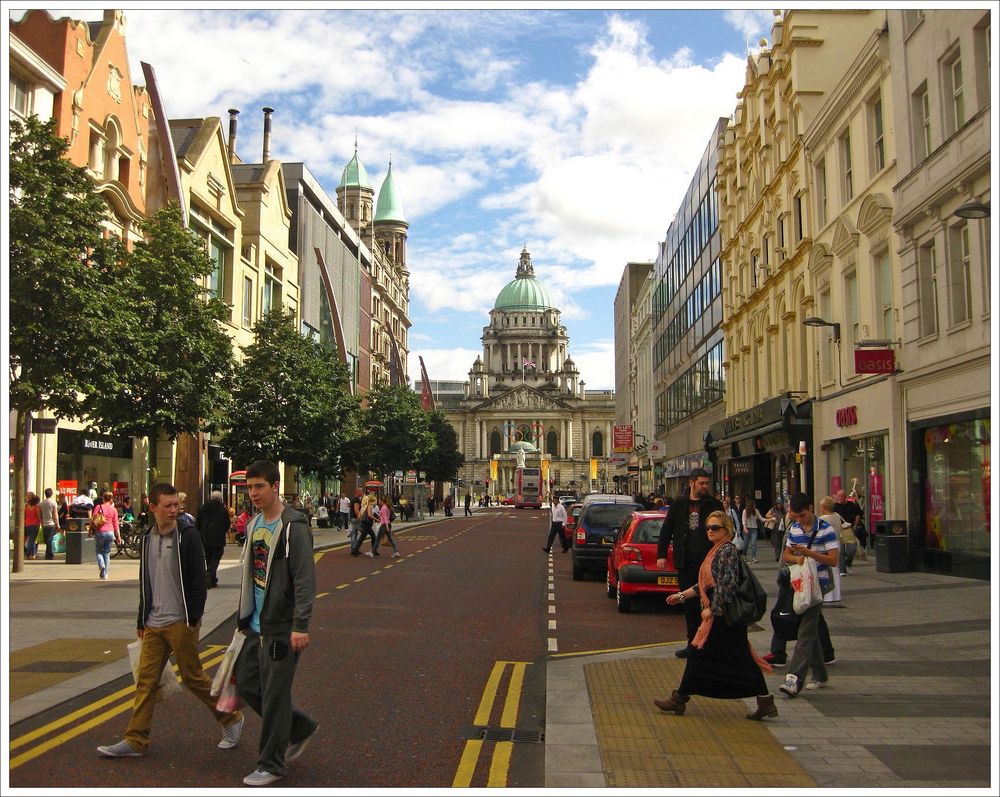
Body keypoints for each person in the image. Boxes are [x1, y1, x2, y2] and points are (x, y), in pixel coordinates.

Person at [96, 481, 244, 758]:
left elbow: (199, 580)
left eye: (177, 505)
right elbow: (146, 581)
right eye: (168, 506)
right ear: (152, 507)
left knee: (193, 677)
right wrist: (142, 619)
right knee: (146, 681)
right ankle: (136, 740)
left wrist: (194, 618)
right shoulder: (148, 538)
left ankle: (230, 717)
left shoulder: (187, 536)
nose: (174, 510)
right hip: (153, 623)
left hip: (180, 621)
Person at [234, 460, 318, 787]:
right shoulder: (255, 524)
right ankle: (298, 728)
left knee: (274, 695)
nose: (253, 493)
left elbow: (304, 580)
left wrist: (301, 624)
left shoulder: (293, 527)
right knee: (247, 685)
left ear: (275, 486)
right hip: (255, 625)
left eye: (259, 487)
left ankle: (271, 764)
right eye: (249, 487)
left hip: (281, 628)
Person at [655, 510, 777, 721]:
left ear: (726, 530)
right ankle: (765, 702)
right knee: (732, 657)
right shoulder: (716, 551)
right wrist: (682, 596)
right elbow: (704, 584)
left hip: (723, 617)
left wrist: (712, 610)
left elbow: (726, 585)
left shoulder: (727, 551)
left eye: (715, 528)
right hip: (720, 616)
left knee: (702, 653)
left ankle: (679, 699)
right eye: (708, 528)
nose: (710, 531)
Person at [656, 469, 723, 659]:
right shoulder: (679, 504)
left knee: (711, 604)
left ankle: (709, 643)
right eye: (702, 483)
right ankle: (692, 643)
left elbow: (725, 529)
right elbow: (666, 530)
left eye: (707, 483)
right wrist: (661, 555)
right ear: (691, 482)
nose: (705, 487)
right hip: (685, 562)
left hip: (708, 562)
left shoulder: (713, 504)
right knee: (690, 605)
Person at [778, 492, 838, 697]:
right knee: (810, 629)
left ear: (811, 509)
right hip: (799, 584)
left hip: (817, 585)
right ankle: (820, 674)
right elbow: (786, 555)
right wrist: (797, 560)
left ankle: (794, 679)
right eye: (796, 517)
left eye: (802, 515)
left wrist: (809, 553)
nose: (800, 520)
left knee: (805, 631)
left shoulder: (826, 529)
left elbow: (833, 560)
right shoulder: (794, 529)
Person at [197, 490, 230, 589]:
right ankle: (210, 575)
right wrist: (221, 531)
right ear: (220, 499)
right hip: (218, 538)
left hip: (205, 538)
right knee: (215, 558)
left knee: (208, 557)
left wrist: (201, 533)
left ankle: (211, 578)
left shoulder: (203, 508)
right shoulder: (223, 510)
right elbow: (227, 524)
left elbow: (198, 522)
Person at [817, 496, 845, 602]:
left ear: (824, 507)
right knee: (835, 569)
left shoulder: (823, 519)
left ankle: (828, 595)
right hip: (837, 543)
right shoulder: (837, 516)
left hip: (826, 545)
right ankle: (837, 595)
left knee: (826, 570)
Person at [93, 491, 122, 580]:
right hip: (110, 532)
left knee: (98, 551)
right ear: (111, 500)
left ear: (103, 498)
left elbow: (93, 519)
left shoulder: (99, 507)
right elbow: (116, 524)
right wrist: (119, 536)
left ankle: (102, 566)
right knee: (107, 553)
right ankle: (105, 574)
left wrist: (90, 529)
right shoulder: (114, 510)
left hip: (100, 531)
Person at [833, 488, 866, 558]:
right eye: (839, 496)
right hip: (839, 529)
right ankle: (843, 567)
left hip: (849, 529)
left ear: (845, 497)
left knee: (852, 549)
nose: (840, 498)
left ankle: (848, 561)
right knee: (841, 551)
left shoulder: (851, 504)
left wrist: (855, 524)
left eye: (842, 496)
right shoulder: (835, 506)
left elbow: (858, 514)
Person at [351, 493, 379, 558]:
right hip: (366, 524)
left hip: (365, 523)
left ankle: (356, 550)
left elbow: (360, 515)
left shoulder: (364, 506)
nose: (376, 502)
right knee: (366, 537)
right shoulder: (369, 506)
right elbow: (369, 515)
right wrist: (376, 519)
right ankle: (355, 550)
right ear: (372, 500)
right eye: (375, 500)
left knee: (368, 536)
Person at [741, 498, 765, 564]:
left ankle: (754, 557)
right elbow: (743, 521)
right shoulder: (745, 511)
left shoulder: (756, 511)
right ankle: (744, 556)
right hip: (747, 528)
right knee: (746, 544)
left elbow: (762, 519)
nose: (755, 506)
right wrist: (745, 528)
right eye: (754, 505)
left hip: (754, 529)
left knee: (754, 544)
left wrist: (770, 519)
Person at [39, 488, 60, 560]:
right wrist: (57, 524)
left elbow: (40, 515)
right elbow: (55, 514)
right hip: (51, 523)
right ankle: (49, 555)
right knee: (50, 540)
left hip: (44, 524)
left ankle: (48, 554)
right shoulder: (53, 503)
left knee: (47, 540)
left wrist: (41, 523)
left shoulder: (41, 504)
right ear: (51, 494)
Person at [23, 492, 42, 560]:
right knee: (32, 540)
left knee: (30, 539)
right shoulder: (36, 507)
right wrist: (41, 523)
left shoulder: (26, 506)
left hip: (27, 525)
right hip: (35, 524)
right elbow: (39, 516)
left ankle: (29, 554)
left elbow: (24, 516)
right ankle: (32, 554)